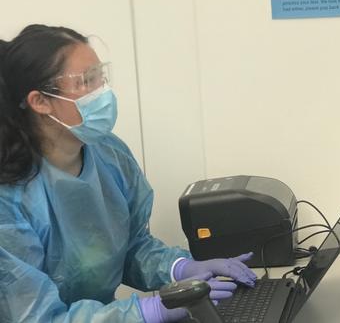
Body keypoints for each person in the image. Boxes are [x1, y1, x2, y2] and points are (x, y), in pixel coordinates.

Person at [0, 24, 257, 322]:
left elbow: (130, 246)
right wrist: (148, 311)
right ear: (40, 101)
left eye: (101, 76)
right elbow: (36, 317)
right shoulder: (9, 200)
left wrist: (181, 268)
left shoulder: (109, 154)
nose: (103, 91)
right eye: (87, 81)